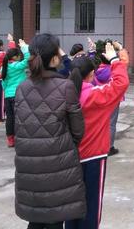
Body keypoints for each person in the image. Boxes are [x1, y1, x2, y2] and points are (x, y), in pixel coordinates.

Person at [14, 33, 86, 229]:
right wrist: (63, 145)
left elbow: (17, 126)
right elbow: (78, 130)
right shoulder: (65, 86)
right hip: (59, 163)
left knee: (35, 219)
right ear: (55, 57)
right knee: (55, 219)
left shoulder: (21, 88)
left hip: (28, 163)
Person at [66, 42, 129, 229]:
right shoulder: (95, 96)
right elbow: (121, 83)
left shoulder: (63, 94)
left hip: (69, 156)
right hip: (93, 156)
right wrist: (115, 59)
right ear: (91, 75)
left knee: (71, 204)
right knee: (91, 205)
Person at [1, 38, 30, 147]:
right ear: (14, 57)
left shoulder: (3, 68)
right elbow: (27, 59)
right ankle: (20, 138)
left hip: (8, 96)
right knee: (20, 117)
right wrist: (24, 46)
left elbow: (3, 84)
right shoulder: (17, 67)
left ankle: (10, 140)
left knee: (10, 118)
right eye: (18, 55)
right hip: (18, 95)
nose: (20, 57)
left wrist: (12, 42)